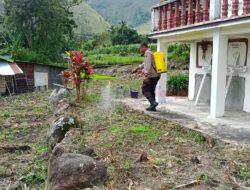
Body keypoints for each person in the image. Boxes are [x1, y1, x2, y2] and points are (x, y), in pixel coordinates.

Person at [132, 43, 160, 111]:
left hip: (151, 76)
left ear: (144, 47)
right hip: (156, 75)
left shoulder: (148, 53)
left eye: (140, 48)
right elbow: (145, 63)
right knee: (151, 90)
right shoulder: (150, 53)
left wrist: (145, 74)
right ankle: (153, 107)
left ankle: (153, 103)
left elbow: (147, 67)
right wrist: (137, 68)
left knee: (144, 90)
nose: (140, 50)